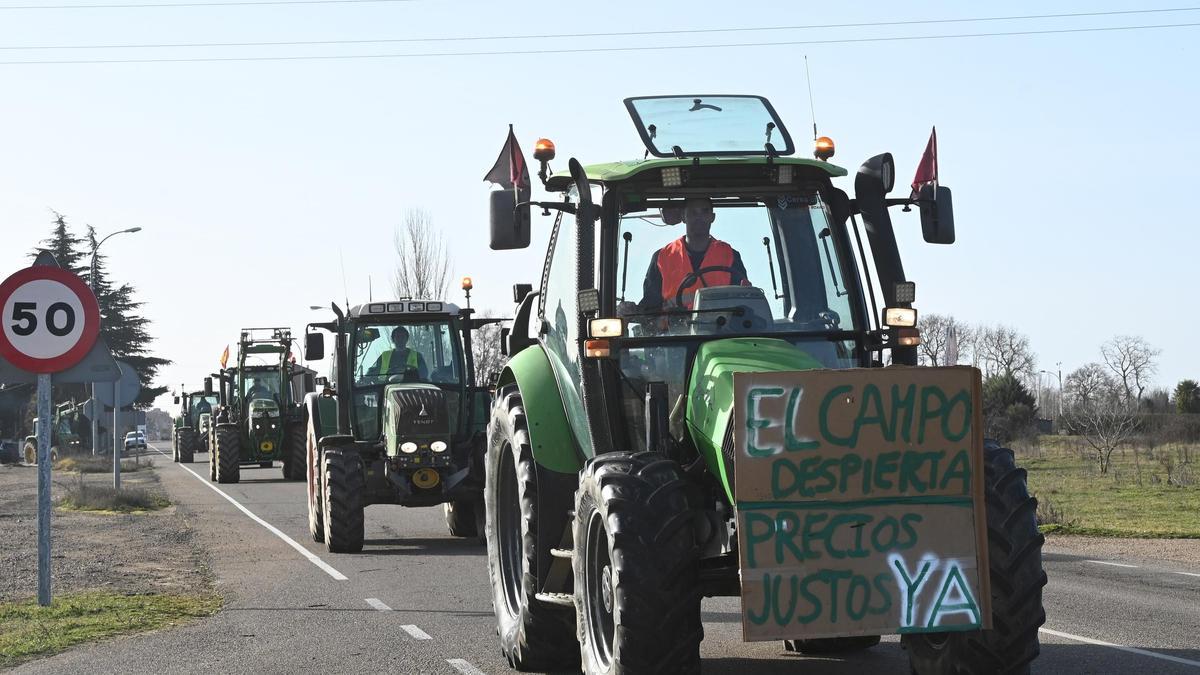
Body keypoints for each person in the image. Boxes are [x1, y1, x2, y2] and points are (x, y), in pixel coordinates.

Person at [635, 197, 750, 312]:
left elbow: (743, 300)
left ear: (712, 217)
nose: (699, 217)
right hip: (674, 328)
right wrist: (631, 309)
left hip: (721, 328)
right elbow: (650, 307)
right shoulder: (662, 257)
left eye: (704, 211)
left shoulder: (729, 255)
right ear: (683, 217)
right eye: (693, 212)